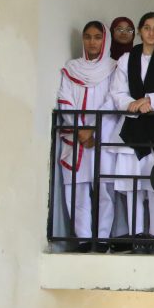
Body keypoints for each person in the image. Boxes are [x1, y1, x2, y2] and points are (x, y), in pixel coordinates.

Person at [108, 12, 154, 241]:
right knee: (132, 184)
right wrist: (133, 104)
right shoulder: (127, 58)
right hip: (132, 127)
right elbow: (117, 91)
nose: (151, 33)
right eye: (147, 28)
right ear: (140, 31)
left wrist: (150, 101)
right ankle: (135, 234)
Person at [56, 21, 118, 251]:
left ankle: (102, 239)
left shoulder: (113, 68)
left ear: (105, 40)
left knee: (104, 190)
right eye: (88, 37)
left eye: (97, 37)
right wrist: (79, 129)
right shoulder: (71, 68)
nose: (92, 42)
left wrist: (92, 129)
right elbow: (65, 99)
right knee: (77, 188)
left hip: (102, 135)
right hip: (75, 137)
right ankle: (82, 238)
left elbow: (112, 101)